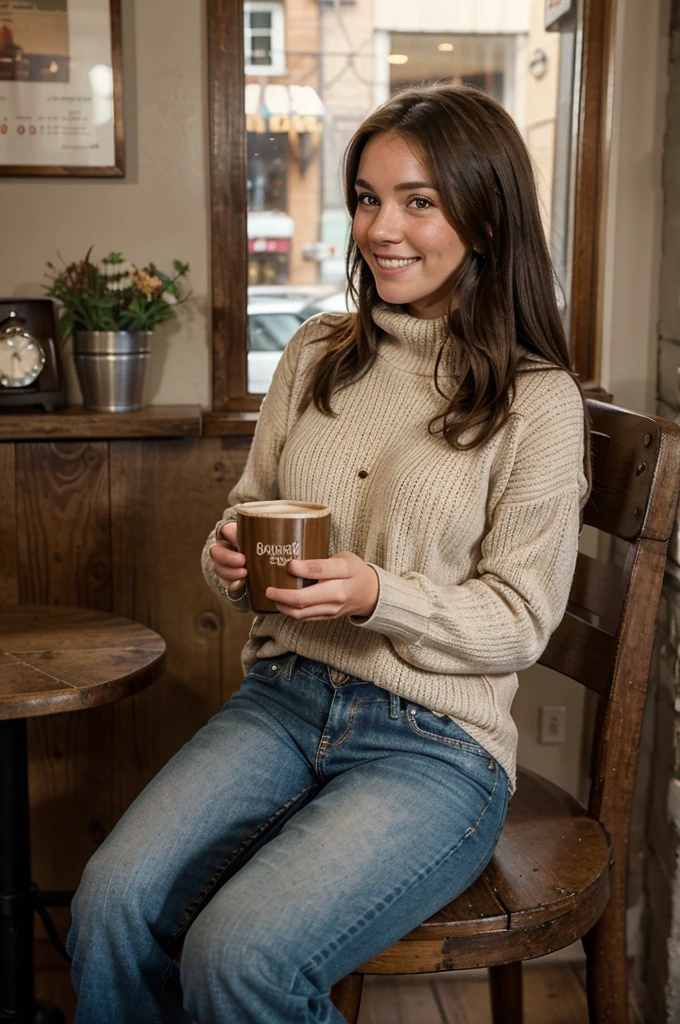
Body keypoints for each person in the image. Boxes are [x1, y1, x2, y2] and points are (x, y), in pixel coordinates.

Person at [66, 83, 591, 1024]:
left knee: (239, 960)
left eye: (418, 200)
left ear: (487, 215)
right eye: (365, 198)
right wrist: (228, 560)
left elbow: (519, 620)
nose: (381, 228)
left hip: (436, 749)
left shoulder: (537, 402)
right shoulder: (315, 352)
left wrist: (375, 594)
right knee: (108, 904)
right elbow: (242, 511)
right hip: (283, 699)